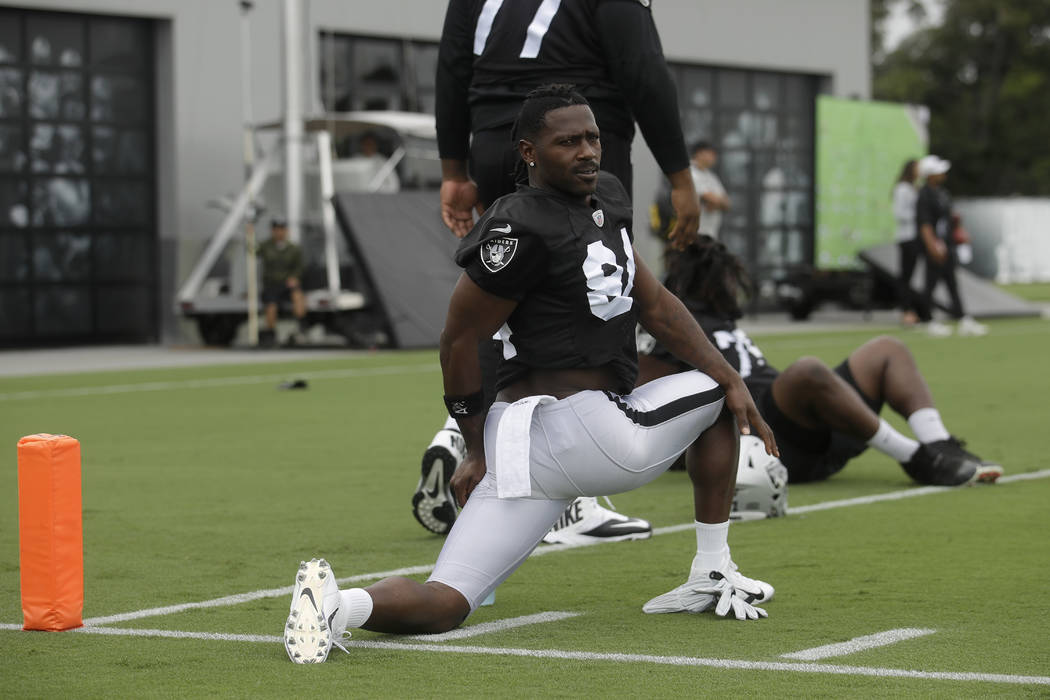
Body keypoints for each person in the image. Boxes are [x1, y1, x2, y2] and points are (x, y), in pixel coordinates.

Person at [285, 89, 779, 664]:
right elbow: (459, 340)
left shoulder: (608, 198)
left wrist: (479, 449)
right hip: (588, 429)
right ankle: (712, 572)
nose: (588, 151)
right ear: (528, 152)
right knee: (719, 393)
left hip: (526, 448)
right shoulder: (517, 225)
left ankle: (335, 606)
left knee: (447, 603)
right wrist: (471, 446)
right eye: (567, 141)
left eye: (592, 137)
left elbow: (658, 305)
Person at [415, 0, 704, 542]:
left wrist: (454, 168)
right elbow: (642, 66)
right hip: (579, 135)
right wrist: (681, 175)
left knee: (505, 311)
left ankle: (466, 440)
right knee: (596, 303)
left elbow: (452, 66)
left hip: (496, 141)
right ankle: (566, 496)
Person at [636, 238, 1004, 487]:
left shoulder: (717, 321)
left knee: (887, 350)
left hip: (807, 420)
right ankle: (916, 458)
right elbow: (645, 400)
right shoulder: (671, 328)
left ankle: (940, 445)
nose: (733, 287)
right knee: (806, 370)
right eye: (726, 278)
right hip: (769, 442)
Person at [914, 155, 988, 337]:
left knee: (952, 284)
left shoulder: (942, 193)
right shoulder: (924, 195)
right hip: (936, 246)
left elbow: (951, 219)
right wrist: (933, 246)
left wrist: (959, 234)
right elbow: (925, 224)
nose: (943, 174)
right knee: (930, 284)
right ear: (930, 174)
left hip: (948, 245)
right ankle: (928, 320)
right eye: (939, 171)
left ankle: (963, 318)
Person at [257, 218, 308, 347]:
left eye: (282, 229)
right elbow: (252, 251)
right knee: (271, 306)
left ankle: (300, 329)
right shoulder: (265, 246)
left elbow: (299, 267)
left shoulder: (293, 249)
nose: (279, 232)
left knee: (298, 297)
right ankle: (271, 333)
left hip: (287, 283)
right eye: (276, 229)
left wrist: (294, 277)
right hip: (272, 284)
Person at [892, 158, 920, 326]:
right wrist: (920, 217)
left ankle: (912, 310)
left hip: (914, 237)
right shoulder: (902, 189)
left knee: (910, 277)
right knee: (905, 277)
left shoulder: (912, 188)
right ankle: (906, 311)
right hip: (906, 237)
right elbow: (899, 214)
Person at [690, 141, 730, 240]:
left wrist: (717, 202)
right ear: (699, 153)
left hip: (711, 234)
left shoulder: (711, 176)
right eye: (711, 153)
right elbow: (710, 198)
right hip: (693, 234)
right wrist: (716, 201)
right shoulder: (690, 173)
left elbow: (727, 203)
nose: (714, 157)